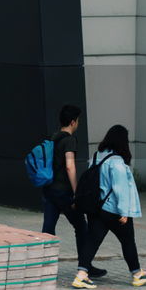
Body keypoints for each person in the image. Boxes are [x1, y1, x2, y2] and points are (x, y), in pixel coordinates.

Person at [72, 124, 146, 289]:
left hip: (97, 208)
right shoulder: (117, 162)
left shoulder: (97, 156)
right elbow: (120, 189)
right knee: (127, 241)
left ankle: (81, 275)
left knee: (92, 241)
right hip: (114, 210)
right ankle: (138, 274)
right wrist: (124, 212)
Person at [40, 105, 96, 274]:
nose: (78, 123)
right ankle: (85, 266)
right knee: (81, 227)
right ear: (73, 122)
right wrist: (76, 192)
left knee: (48, 228)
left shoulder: (52, 137)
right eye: (78, 120)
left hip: (49, 189)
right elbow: (70, 166)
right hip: (63, 191)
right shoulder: (69, 140)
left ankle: (44, 266)